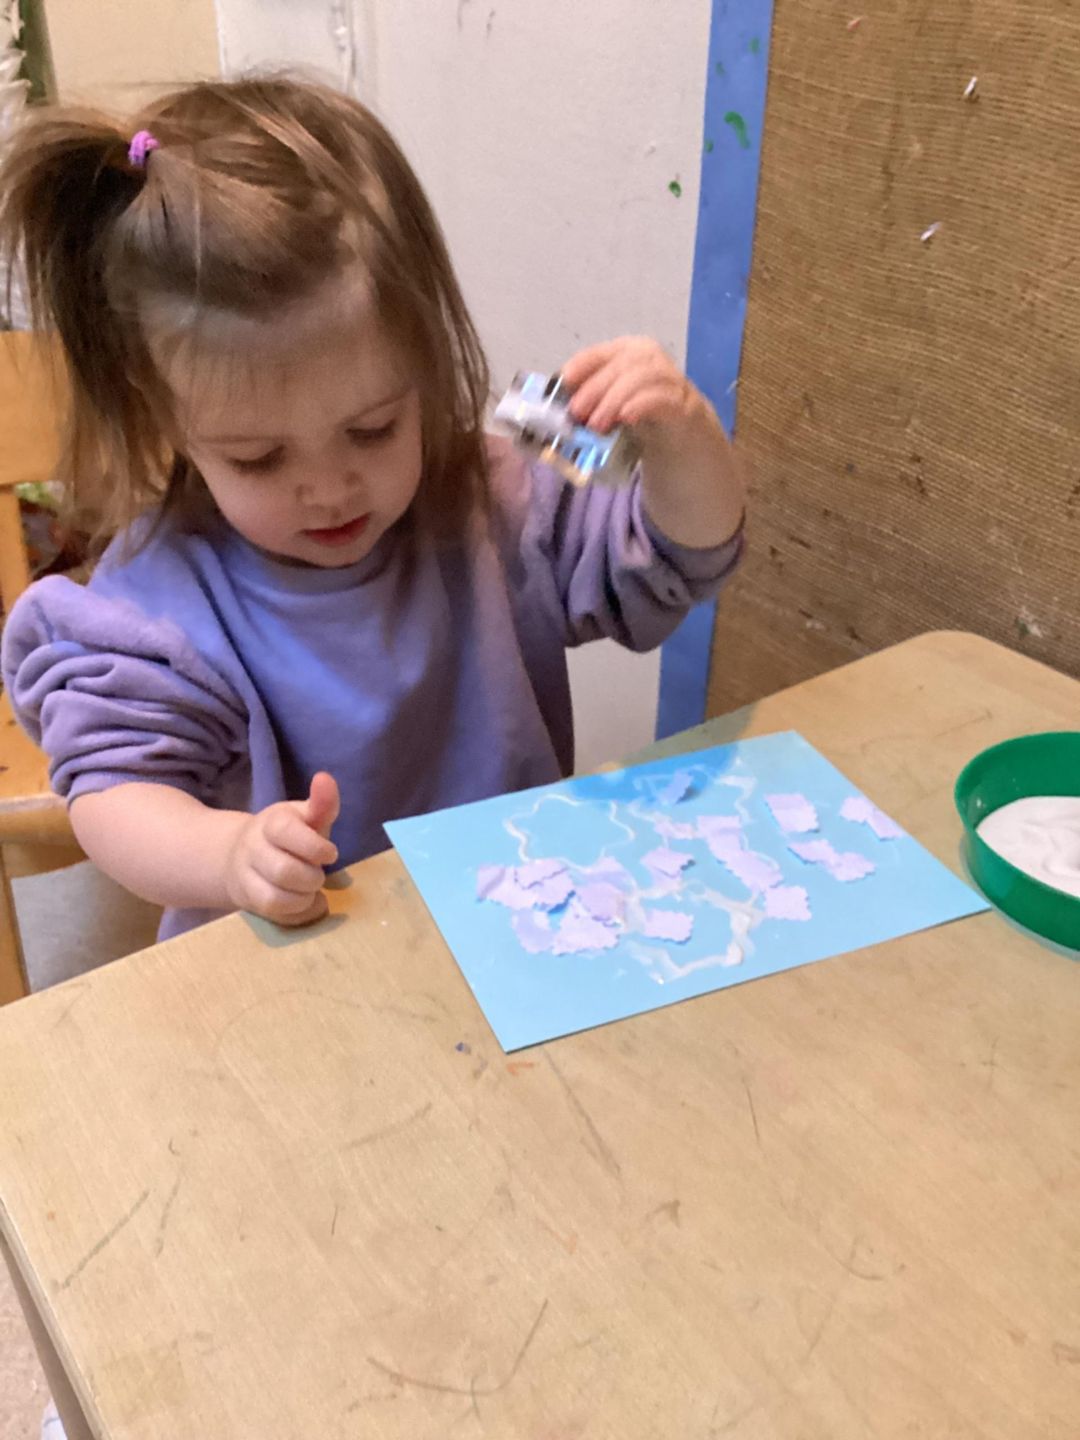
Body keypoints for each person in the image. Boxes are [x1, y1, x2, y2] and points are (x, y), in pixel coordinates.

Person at [0, 75, 745, 946]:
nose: (329, 488)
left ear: (425, 365)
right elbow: (110, 797)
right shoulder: (157, 606)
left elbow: (681, 558)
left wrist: (685, 441)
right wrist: (229, 854)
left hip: (512, 936)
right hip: (293, 969)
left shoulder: (493, 504)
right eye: (259, 457)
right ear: (163, 414)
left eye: (373, 429)